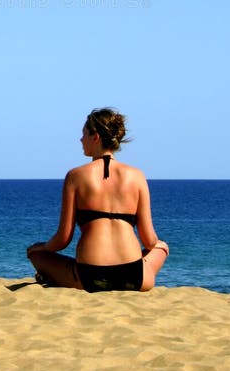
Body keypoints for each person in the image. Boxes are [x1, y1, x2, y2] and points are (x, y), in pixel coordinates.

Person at [27, 108, 169, 292]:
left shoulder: (75, 176)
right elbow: (149, 241)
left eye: (84, 134)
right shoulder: (137, 176)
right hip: (134, 276)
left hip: (89, 278)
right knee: (161, 247)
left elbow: (63, 239)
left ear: (96, 138)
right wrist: (158, 245)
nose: (80, 139)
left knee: (35, 254)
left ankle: (51, 274)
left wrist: (42, 247)